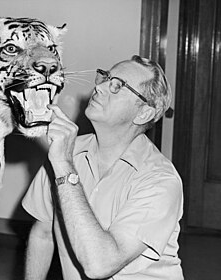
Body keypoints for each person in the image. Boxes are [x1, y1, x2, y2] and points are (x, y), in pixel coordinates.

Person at [22, 55, 184, 280]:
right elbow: (43, 234)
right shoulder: (67, 151)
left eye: (118, 85)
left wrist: (63, 166)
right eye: (106, 77)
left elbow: (100, 266)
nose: (99, 88)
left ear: (144, 113)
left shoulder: (161, 181)